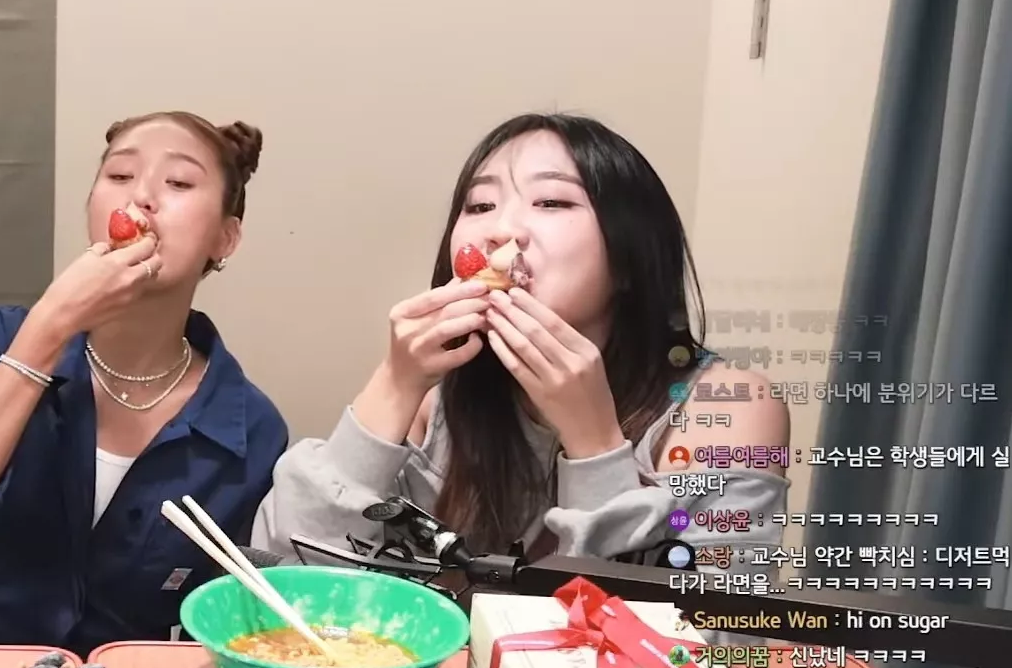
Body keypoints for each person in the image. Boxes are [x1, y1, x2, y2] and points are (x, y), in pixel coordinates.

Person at [252, 112, 789, 568]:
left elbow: (707, 635)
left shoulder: (727, 407)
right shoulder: (436, 400)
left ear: (630, 254)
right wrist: (393, 385)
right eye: (480, 206)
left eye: (551, 202)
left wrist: (595, 445)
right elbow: (286, 579)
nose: (500, 230)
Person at [0, 112, 288, 655]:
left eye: (178, 182)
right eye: (119, 176)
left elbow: (226, 622)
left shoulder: (248, 429)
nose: (141, 197)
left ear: (225, 237)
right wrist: (49, 327)